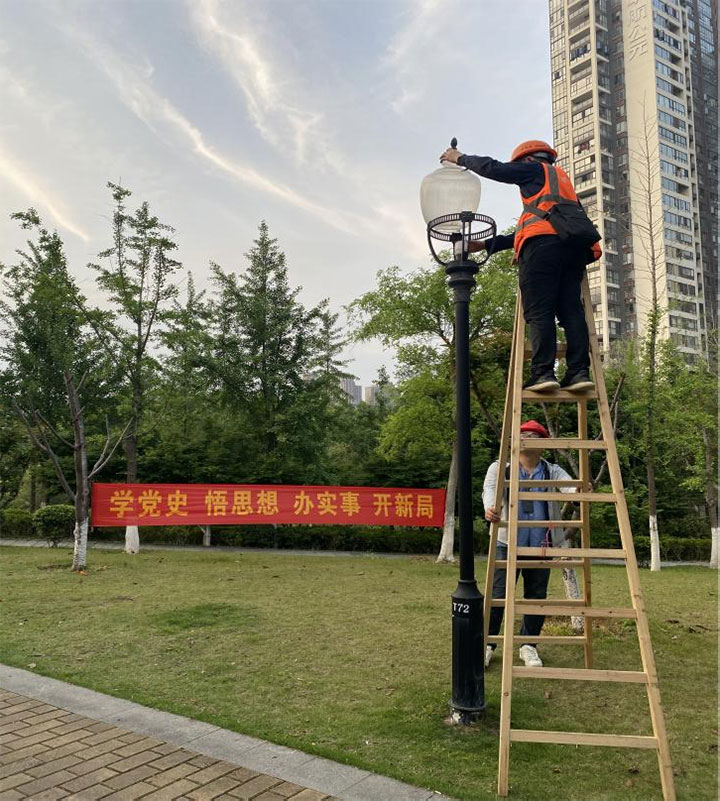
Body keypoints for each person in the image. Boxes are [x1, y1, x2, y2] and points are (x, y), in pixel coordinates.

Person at [440, 140, 595, 393]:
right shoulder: (562, 186)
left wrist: (460, 158)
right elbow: (539, 228)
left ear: (528, 159)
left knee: (540, 311)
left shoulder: (533, 169)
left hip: (542, 251)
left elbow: (495, 168)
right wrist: (487, 244)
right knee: (571, 312)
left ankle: (543, 373)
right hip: (573, 248)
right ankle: (579, 373)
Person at [482, 420, 577, 668]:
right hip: (506, 542)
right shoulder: (500, 468)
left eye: (534, 436)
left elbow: (570, 487)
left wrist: (579, 493)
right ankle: (487, 644)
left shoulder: (551, 470)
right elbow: (489, 490)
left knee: (536, 596)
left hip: (541, 543)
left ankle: (528, 646)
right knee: (498, 595)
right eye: (523, 435)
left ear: (543, 444)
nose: (526, 439)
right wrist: (490, 508)